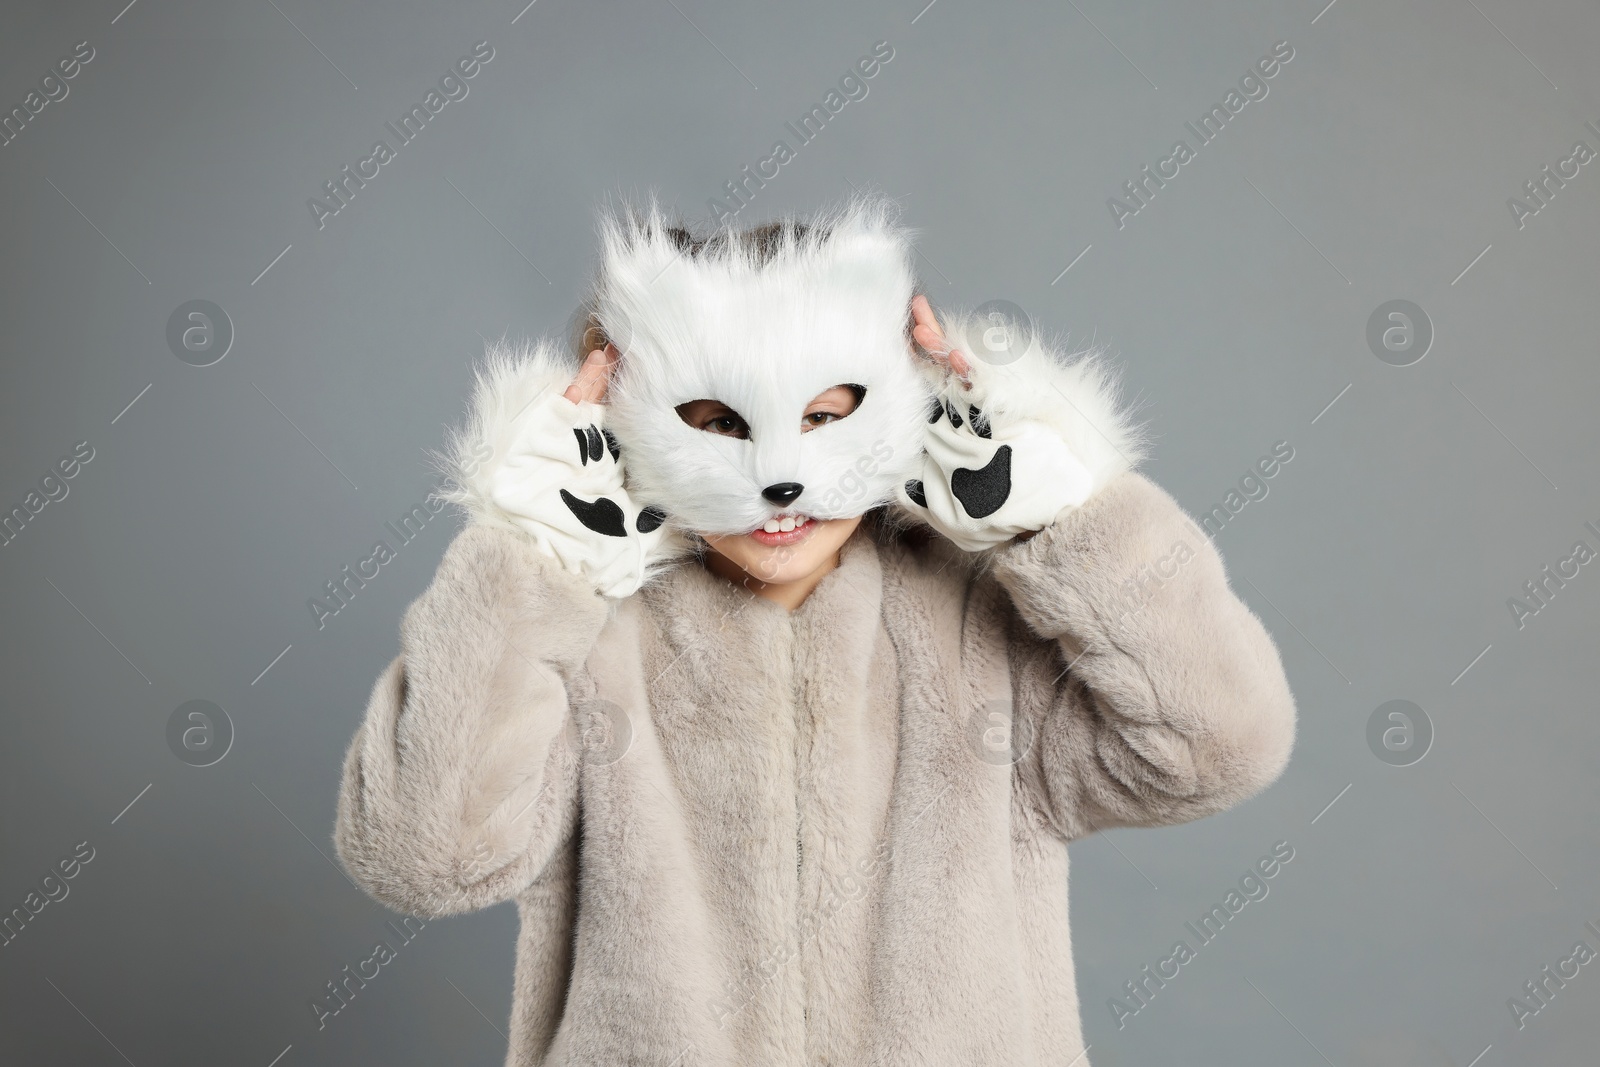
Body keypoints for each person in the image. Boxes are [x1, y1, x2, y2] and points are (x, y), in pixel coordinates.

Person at [333, 197, 1296, 1065]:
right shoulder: (583, 639)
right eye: (716, 424)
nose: (778, 478)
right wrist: (529, 556)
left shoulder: (981, 624)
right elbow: (422, 856)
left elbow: (1217, 745)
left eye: (825, 415)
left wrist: (1056, 514)